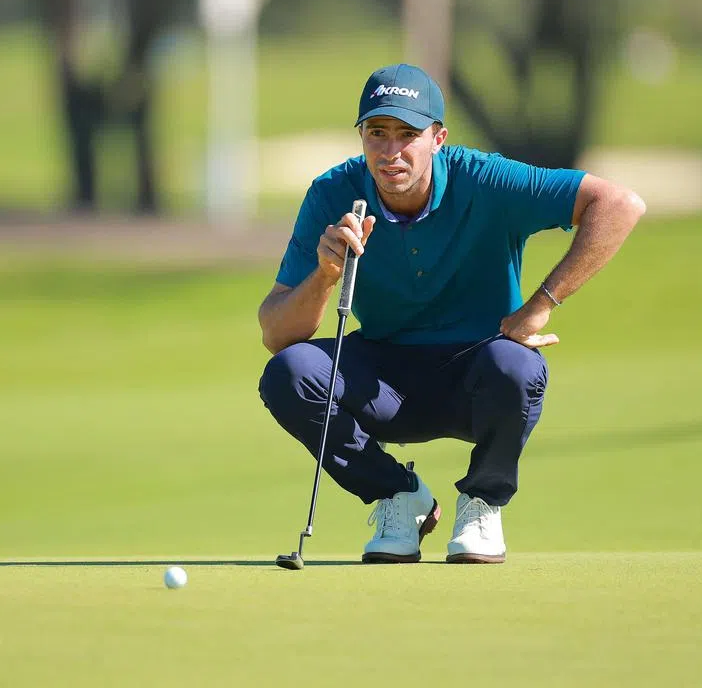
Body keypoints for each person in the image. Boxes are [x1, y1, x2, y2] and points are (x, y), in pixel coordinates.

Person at [257, 63, 646, 564]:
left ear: (438, 138)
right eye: (377, 133)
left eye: (408, 134)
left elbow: (618, 205)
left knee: (518, 366)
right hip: (383, 380)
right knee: (290, 373)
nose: (391, 151)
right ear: (361, 136)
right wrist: (325, 275)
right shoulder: (334, 193)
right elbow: (277, 333)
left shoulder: (487, 179)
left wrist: (541, 304)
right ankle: (399, 496)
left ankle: (482, 502)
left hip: (477, 376)